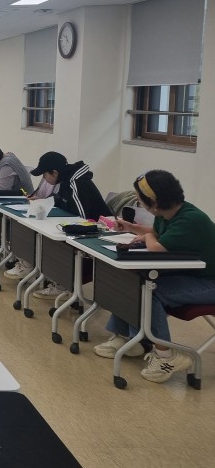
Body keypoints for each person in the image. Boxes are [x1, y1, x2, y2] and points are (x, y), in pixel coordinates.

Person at [93, 170, 215, 384]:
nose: (138, 200)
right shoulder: (168, 213)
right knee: (133, 283)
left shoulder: (191, 219)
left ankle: (166, 356)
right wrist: (132, 227)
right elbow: (157, 233)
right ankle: (130, 340)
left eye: (140, 198)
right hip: (192, 276)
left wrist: (147, 236)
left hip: (209, 283)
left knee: (150, 291)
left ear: (155, 202)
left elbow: (156, 245)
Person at [13, 151, 113, 289]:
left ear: (54, 173)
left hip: (96, 234)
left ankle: (62, 285)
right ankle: (54, 279)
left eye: (45, 175)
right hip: (81, 228)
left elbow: (82, 219)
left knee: (54, 243)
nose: (44, 179)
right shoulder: (65, 180)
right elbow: (61, 200)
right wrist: (43, 201)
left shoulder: (76, 184)